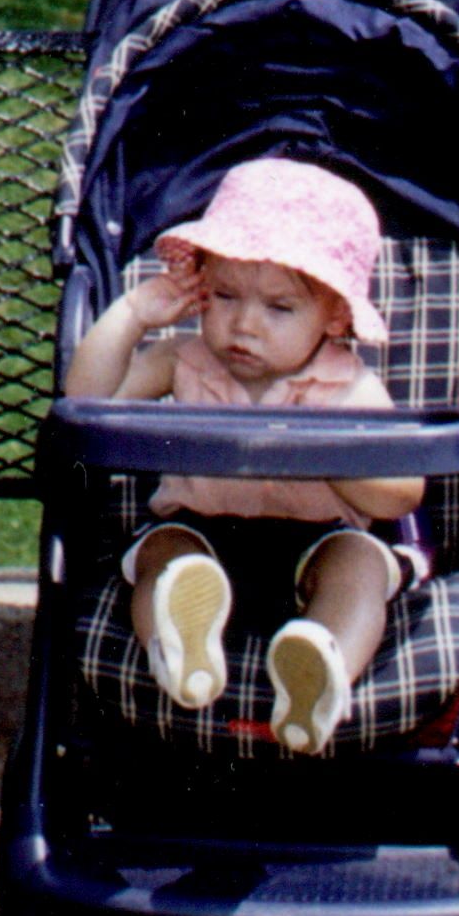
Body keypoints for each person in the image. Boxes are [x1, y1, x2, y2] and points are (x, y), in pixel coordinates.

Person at [62, 157, 409, 756]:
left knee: (361, 565)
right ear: (201, 289)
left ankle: (321, 667)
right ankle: (180, 648)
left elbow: (400, 492)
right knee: (163, 559)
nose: (245, 324)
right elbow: (88, 403)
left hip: (314, 541)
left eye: (280, 308)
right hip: (200, 534)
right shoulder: (183, 360)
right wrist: (133, 315)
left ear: (333, 315)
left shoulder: (346, 387)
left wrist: (322, 450)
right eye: (224, 296)